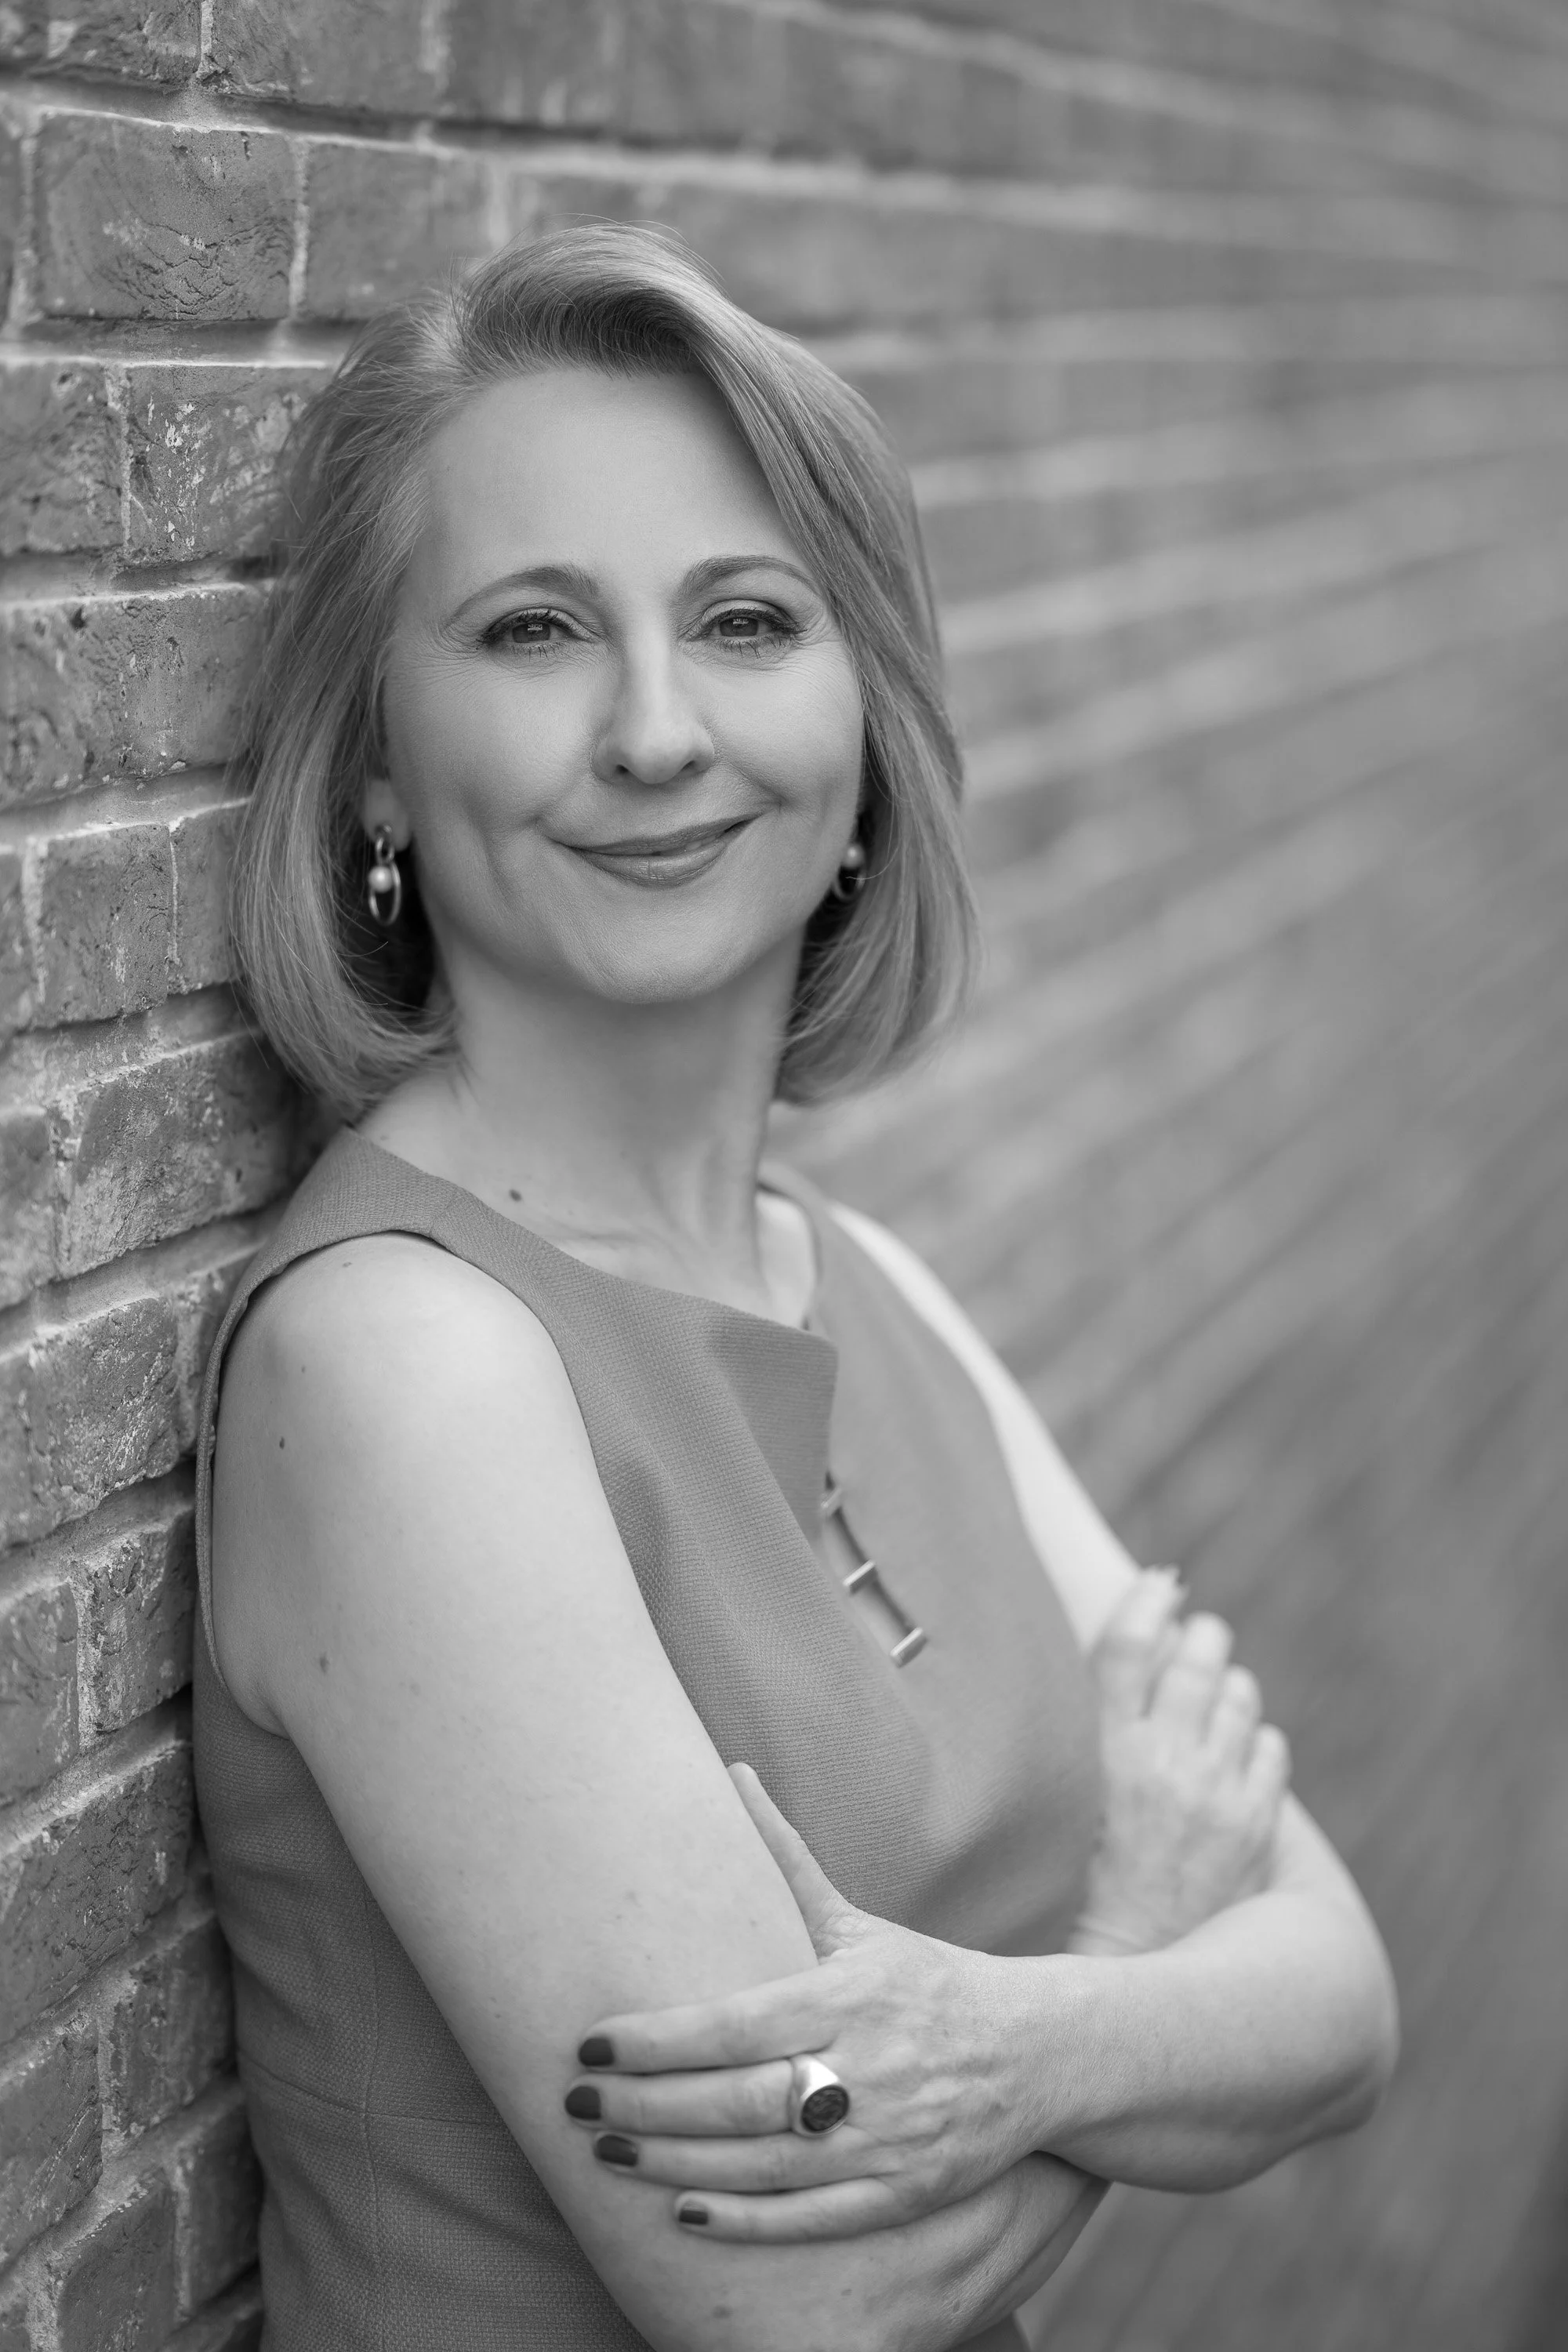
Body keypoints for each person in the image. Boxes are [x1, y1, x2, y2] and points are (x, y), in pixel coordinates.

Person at [194, 224, 1399, 2352]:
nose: (657, 731)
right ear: (376, 761)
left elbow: (1346, 1992)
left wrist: (1013, 2050)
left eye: (746, 620)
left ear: (861, 738)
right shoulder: (410, 1365)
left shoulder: (865, 1287)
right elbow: (811, 2305)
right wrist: (1141, 1951)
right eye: (535, 630)